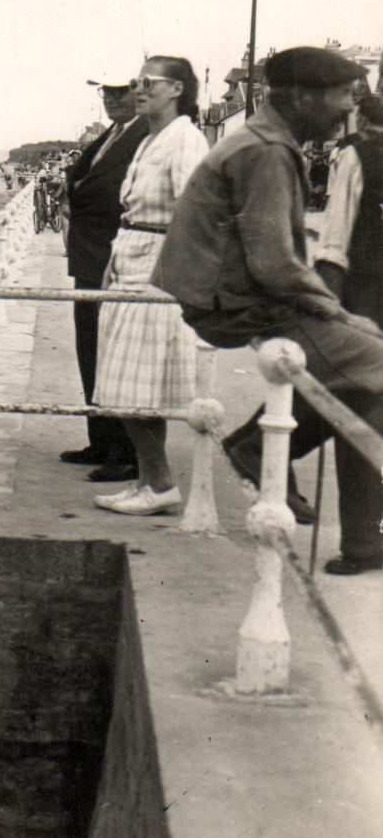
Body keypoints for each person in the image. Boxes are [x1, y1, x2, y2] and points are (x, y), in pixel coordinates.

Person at [153, 46, 379, 574]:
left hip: (226, 294)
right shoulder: (268, 151)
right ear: (303, 96)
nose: (350, 109)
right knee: (375, 366)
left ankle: (263, 447)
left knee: (358, 375)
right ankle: (257, 448)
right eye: (344, 96)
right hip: (237, 303)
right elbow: (275, 263)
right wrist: (340, 313)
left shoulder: (259, 140)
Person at [89, 56, 209, 516]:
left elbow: (194, 212)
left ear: (176, 88)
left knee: (132, 384)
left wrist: (165, 276)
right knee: (129, 385)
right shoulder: (151, 138)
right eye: (136, 82)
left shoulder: (185, 140)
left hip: (155, 269)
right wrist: (114, 264)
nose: (138, 89)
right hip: (130, 258)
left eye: (147, 82)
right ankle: (148, 480)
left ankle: (159, 483)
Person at [305, 85, 383, 567]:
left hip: (368, 300)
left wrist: (326, 305)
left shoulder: (357, 157)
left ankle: (362, 540)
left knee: (358, 411)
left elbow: (334, 242)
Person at [59, 72, 147, 480]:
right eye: (106, 92)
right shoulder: (115, 132)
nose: (111, 98)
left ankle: (127, 452)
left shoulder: (145, 135)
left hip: (114, 262)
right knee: (91, 352)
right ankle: (101, 441)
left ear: (139, 92)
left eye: (119, 91)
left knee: (117, 356)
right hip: (91, 260)